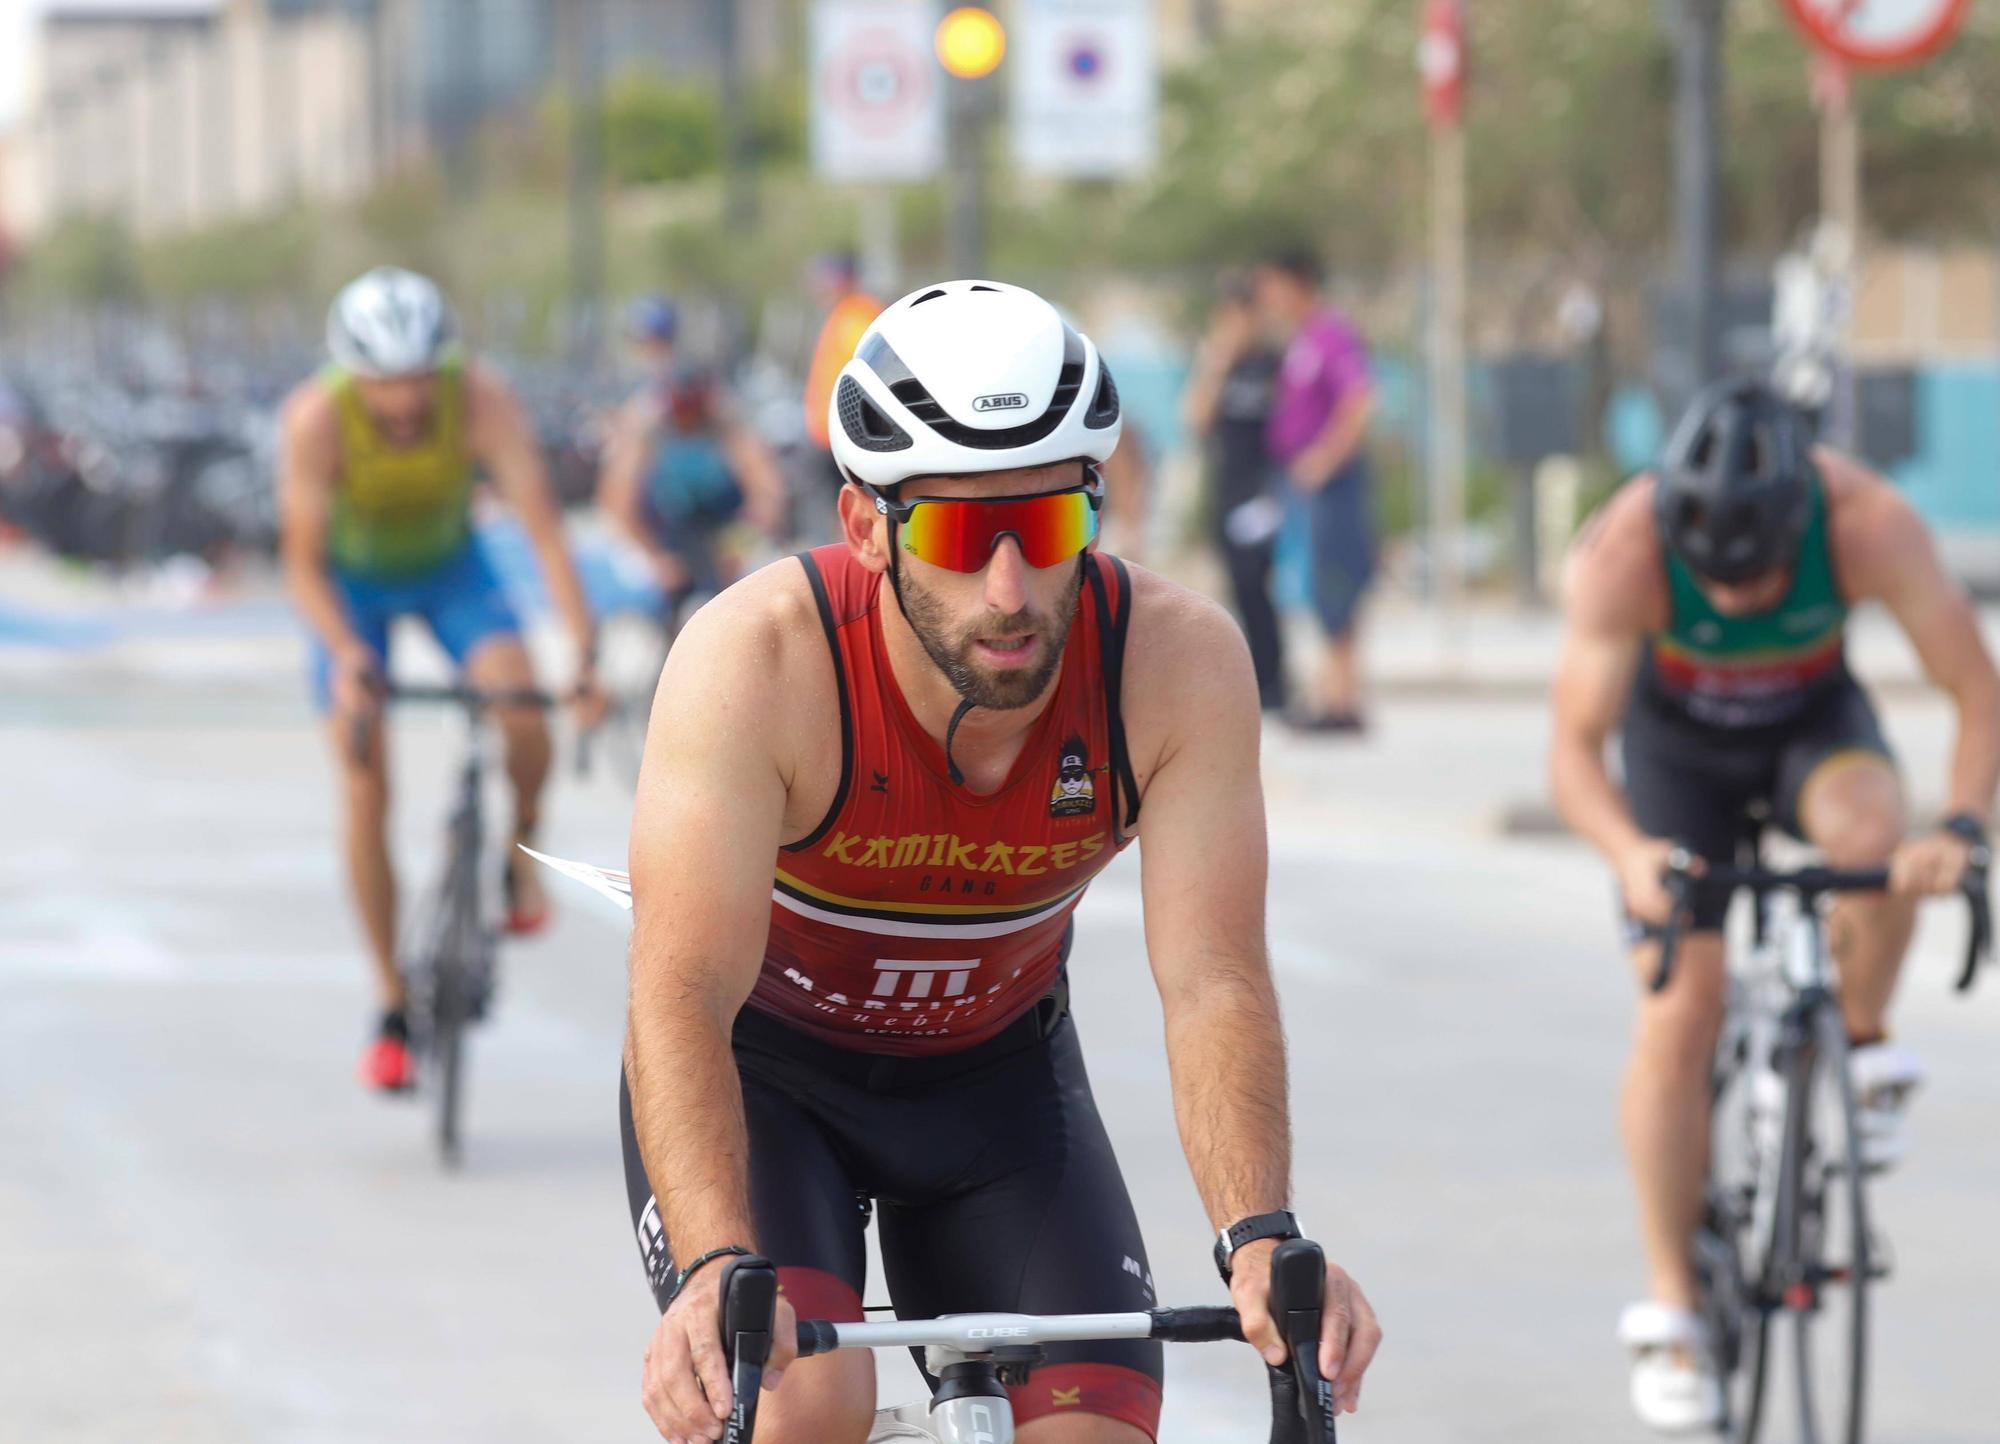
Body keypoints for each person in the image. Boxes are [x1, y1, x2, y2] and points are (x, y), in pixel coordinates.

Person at [620, 280, 1381, 1444]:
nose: (1011, 590)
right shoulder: (757, 663)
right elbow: (678, 993)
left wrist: (1259, 1234)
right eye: (966, 536)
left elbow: (1213, 977)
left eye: (1049, 526)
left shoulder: (1171, 666)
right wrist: (716, 1256)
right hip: (765, 1081)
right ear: (868, 525)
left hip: (995, 1087)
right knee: (797, 1408)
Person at [1548, 378, 2000, 1432]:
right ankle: (1674, 1303)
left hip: (1808, 726)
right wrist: (1625, 853)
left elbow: (1975, 688)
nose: (1738, 598)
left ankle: (1852, 1036)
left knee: (1875, 840)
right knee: (1678, 1006)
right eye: (1716, 576)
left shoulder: (1868, 522)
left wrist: (1964, 828)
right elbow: (1571, 748)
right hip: (1675, 760)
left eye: (1756, 574)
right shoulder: (1621, 550)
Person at [278, 267, 604, 1093]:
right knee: (363, 781)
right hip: (353, 589)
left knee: (525, 714)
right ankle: (391, 1003)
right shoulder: (316, 421)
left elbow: (542, 530)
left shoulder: (481, 401)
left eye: (421, 377)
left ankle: (518, 850)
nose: (406, 401)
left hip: (453, 574)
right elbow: (302, 566)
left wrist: (584, 653)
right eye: (386, 383)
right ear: (354, 377)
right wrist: (350, 657)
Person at [598, 296, 786, 616]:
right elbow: (616, 501)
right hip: (669, 533)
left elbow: (768, 493)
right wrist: (653, 558)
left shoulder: (724, 420)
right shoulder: (646, 423)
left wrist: (742, 546)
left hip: (722, 530)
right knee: (644, 596)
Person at [1253, 250, 1376, 732]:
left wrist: (1325, 458)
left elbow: (1361, 399)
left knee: (1336, 585)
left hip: (1332, 487)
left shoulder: (1331, 335)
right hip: (1303, 486)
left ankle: (1342, 700)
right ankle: (1331, 693)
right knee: (1315, 587)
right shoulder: (1302, 341)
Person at [1183, 275, 1288, 712]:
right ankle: (1257, 680)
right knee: (1237, 588)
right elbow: (1196, 420)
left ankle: (1276, 681)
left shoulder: (1275, 364)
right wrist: (1218, 361)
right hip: (1227, 493)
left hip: (1266, 494)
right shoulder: (1219, 365)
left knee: (1261, 587)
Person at [800, 251, 882, 510]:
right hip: (830, 433)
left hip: (847, 434)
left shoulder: (855, 314)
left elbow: (867, 370)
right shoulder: (844, 313)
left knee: (855, 509)